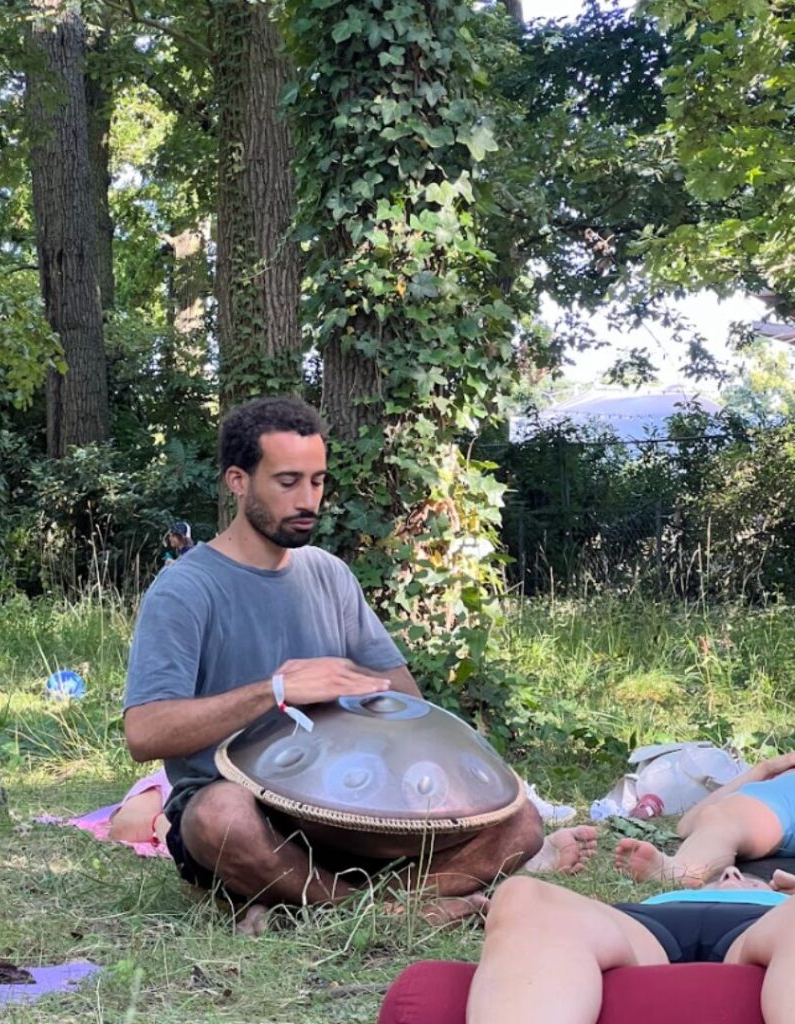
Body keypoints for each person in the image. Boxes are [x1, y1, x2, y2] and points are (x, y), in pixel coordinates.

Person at [123, 397, 592, 930]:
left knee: (522, 822)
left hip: (346, 815)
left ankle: (316, 901)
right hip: (247, 815)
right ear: (238, 481)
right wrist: (275, 690)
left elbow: (403, 700)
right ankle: (384, 910)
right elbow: (144, 732)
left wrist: (365, 708)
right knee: (217, 816)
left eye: (318, 481)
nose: (308, 500)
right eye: (288, 482)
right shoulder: (186, 588)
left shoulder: (328, 574)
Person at [464, 868, 795, 1024]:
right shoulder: (657, 902)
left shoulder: (781, 903)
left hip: (761, 925)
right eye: (721, 876)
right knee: (523, 895)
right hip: (648, 924)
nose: (731, 872)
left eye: (751, 879)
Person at [615, 751, 795, 887]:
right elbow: (686, 826)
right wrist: (764, 769)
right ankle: (686, 867)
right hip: (768, 809)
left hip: (774, 808)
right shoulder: (773, 779)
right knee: (714, 816)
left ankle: (684, 870)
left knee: (722, 821)